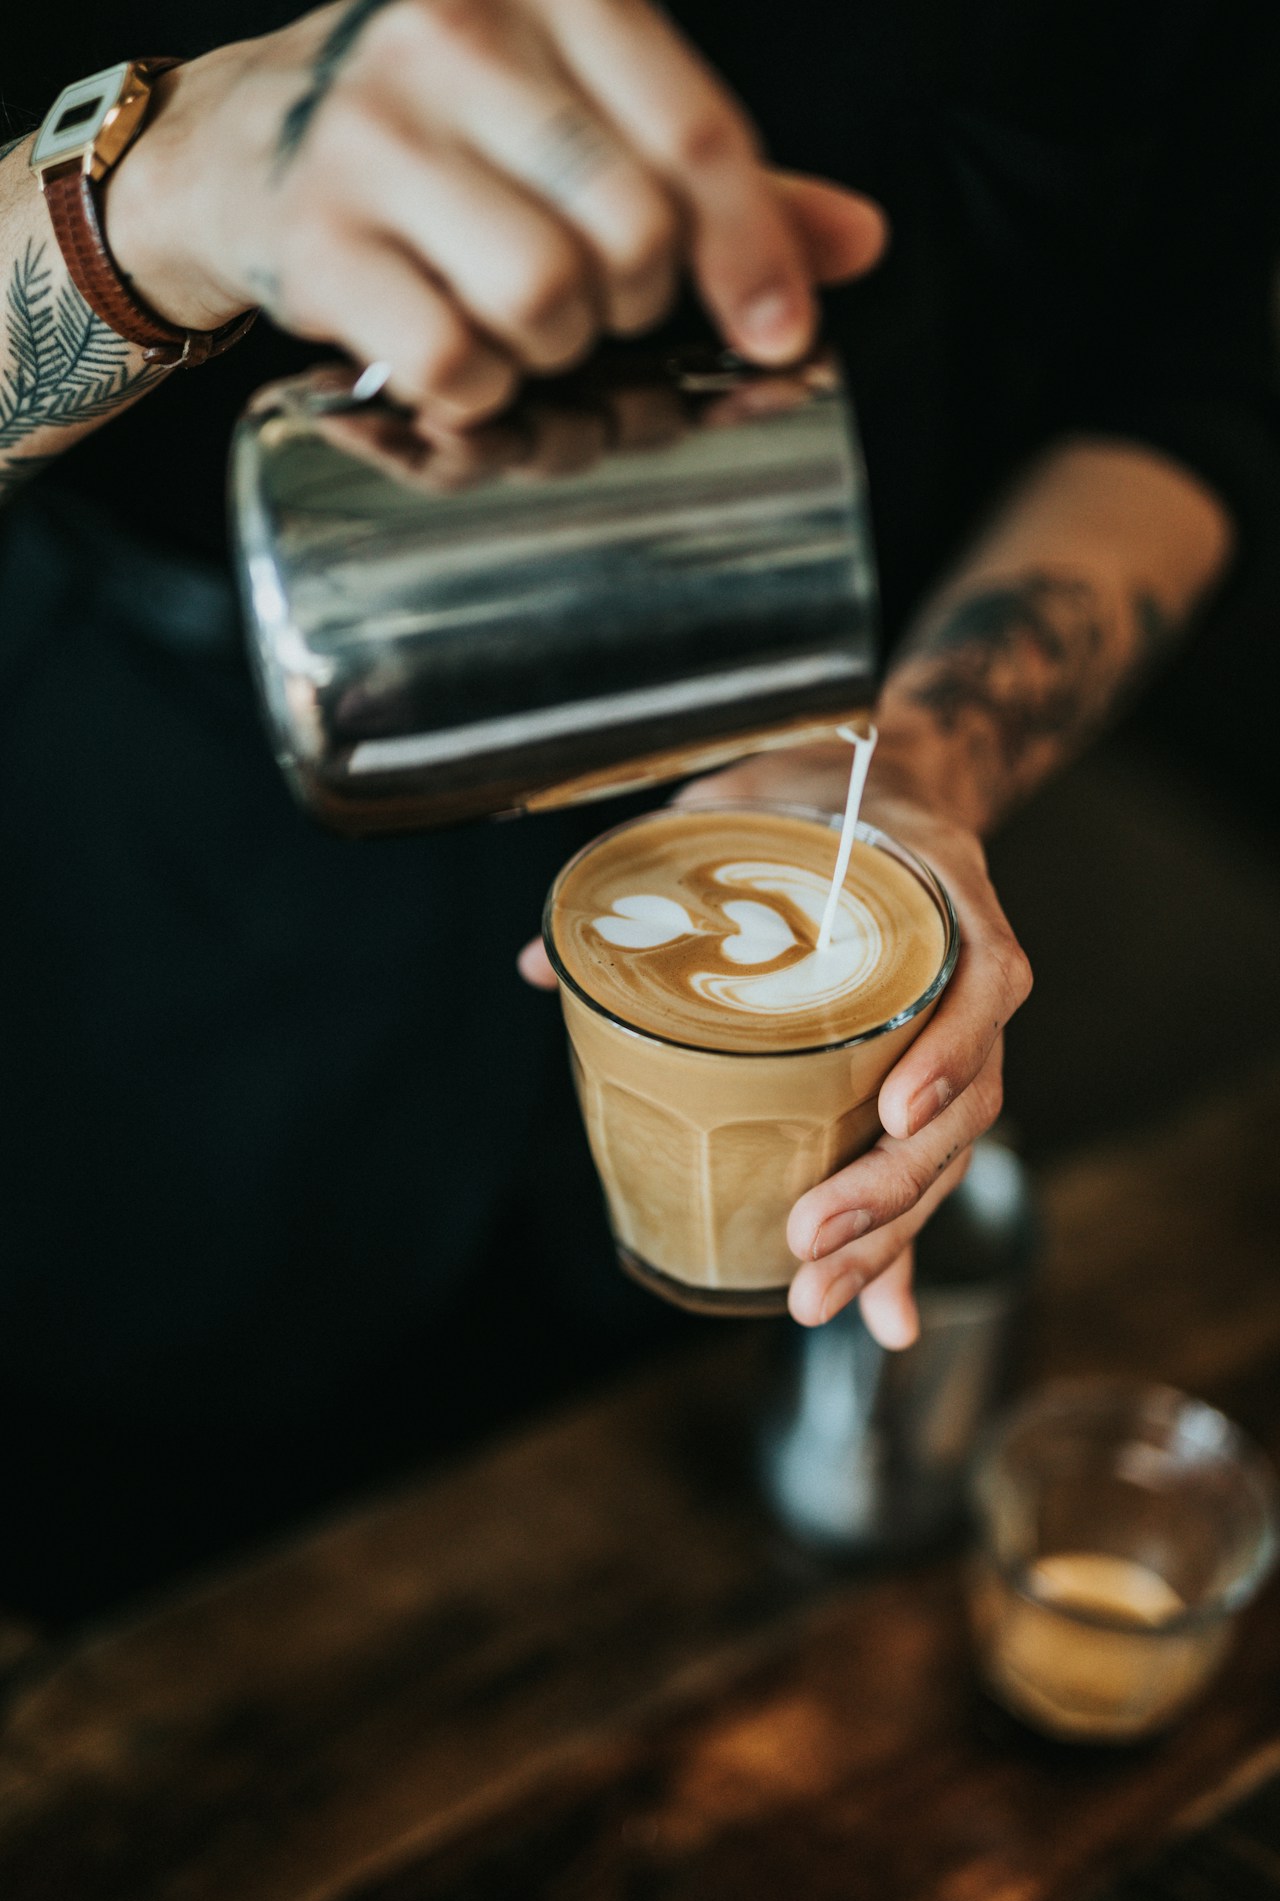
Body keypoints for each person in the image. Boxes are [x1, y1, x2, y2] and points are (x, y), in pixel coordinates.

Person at [1, 0, 1275, 1616]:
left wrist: (923, 766)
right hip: (152, 868)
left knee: (613, 1558)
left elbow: (1196, 376)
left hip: (786, 771)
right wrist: (157, 196)